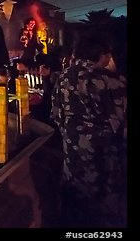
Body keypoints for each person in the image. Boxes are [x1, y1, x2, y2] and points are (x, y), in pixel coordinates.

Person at [51, 33, 127, 227]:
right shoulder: (111, 81)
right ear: (100, 54)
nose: (109, 58)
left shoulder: (64, 77)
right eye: (107, 54)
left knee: (75, 204)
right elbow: (122, 122)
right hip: (104, 158)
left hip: (73, 152)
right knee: (104, 209)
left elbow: (57, 114)